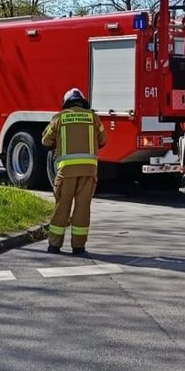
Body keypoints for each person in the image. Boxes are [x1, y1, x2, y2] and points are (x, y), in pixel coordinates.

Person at [40, 87, 106, 255]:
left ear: (66, 102)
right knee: (83, 208)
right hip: (89, 172)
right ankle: (79, 247)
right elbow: (103, 140)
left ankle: (54, 245)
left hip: (66, 171)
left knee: (62, 206)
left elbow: (45, 141)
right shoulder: (94, 118)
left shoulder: (59, 118)